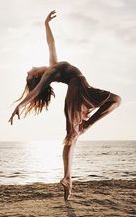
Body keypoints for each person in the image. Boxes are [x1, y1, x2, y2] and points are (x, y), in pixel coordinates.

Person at [9, 10, 122, 200]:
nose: (29, 69)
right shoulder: (48, 74)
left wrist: (46, 24)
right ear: (36, 76)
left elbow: (50, 43)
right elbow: (35, 92)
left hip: (81, 86)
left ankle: (68, 180)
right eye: (29, 73)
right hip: (77, 87)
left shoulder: (52, 66)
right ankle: (69, 174)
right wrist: (19, 106)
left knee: (75, 134)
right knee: (113, 102)